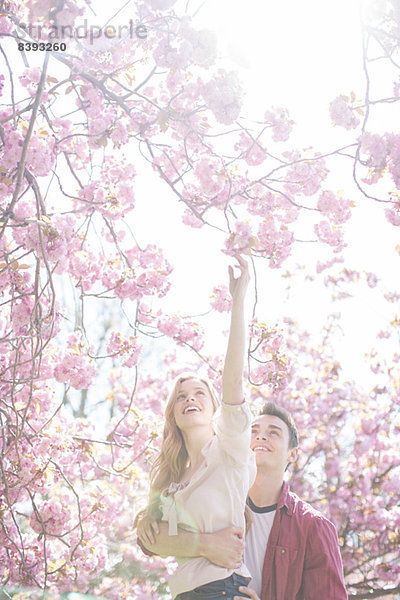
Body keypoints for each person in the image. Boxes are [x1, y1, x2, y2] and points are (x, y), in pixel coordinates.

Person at [137, 403, 348, 600]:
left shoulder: (313, 526)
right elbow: (149, 543)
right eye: (253, 431)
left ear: (292, 454)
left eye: (273, 432)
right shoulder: (213, 498)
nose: (261, 437)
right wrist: (204, 543)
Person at [136, 255, 256, 600]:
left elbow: (232, 381)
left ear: (214, 407)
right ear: (172, 414)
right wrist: (205, 544)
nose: (190, 399)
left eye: (200, 393)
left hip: (221, 590)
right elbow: (150, 539)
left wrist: (238, 302)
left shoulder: (229, 451)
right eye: (181, 396)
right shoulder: (171, 479)